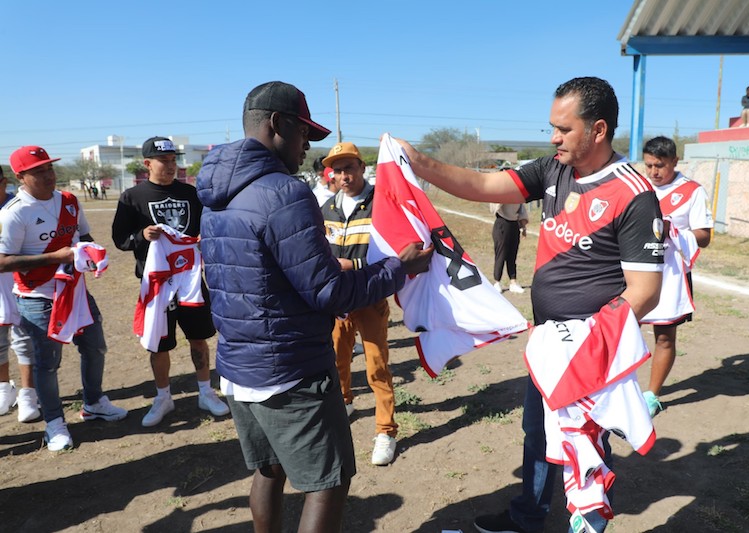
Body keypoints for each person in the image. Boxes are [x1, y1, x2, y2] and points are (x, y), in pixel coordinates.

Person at [395, 76, 664, 533]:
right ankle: (527, 518)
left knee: (588, 441)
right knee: (538, 432)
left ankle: (590, 522)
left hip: (591, 346)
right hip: (547, 341)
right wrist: (417, 161)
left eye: (564, 129)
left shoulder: (633, 193)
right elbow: (481, 184)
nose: (554, 138)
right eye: (551, 128)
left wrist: (591, 343)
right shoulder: (553, 168)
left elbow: (645, 289)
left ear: (598, 130)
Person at [195, 81, 432, 533]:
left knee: (268, 470)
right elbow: (328, 293)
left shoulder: (215, 194)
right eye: (304, 133)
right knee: (328, 481)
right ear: (277, 124)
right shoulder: (285, 192)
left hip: (239, 368)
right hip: (290, 368)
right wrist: (398, 269)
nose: (307, 146)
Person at [0, 146, 128, 451]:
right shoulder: (14, 212)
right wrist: (53, 256)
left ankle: (94, 402)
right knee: (47, 364)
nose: (48, 175)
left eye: (50, 168)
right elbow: (3, 261)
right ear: (20, 176)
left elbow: (83, 237)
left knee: (95, 347)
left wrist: (92, 252)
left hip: (75, 291)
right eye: (39, 171)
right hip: (37, 299)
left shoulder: (69, 201)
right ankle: (54, 423)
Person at [111, 136, 229, 427]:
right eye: (164, 161)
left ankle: (205, 391)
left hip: (190, 279)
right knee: (159, 344)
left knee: (199, 338)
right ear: (147, 163)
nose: (170, 166)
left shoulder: (191, 193)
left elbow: (207, 227)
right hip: (157, 284)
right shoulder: (132, 197)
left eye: (174, 160)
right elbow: (119, 239)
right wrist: (142, 236)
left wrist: (204, 239)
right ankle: (163, 397)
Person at [321, 141, 398, 466]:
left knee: (377, 367)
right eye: (338, 170)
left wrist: (355, 266)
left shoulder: (381, 204)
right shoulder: (327, 209)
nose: (344, 175)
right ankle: (346, 401)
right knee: (336, 360)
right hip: (338, 302)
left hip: (369, 298)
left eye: (349, 167)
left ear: (362, 167)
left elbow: (392, 252)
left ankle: (386, 431)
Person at [640, 136, 713, 417]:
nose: (654, 172)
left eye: (660, 166)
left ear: (675, 162)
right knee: (619, 330)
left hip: (671, 274)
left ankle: (652, 396)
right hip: (635, 269)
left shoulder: (692, 192)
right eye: (648, 166)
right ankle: (615, 388)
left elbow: (704, 237)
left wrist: (673, 231)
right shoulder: (640, 188)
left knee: (664, 337)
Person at [0, 165, 39, 422]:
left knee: (24, 337)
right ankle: (4, 388)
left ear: (3, 182)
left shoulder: (19, 207)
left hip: (18, 281)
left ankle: (29, 393)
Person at [489, 202, 528, 294]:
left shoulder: (518, 196)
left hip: (514, 225)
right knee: (501, 255)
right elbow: (494, 206)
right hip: (502, 223)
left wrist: (523, 227)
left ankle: (513, 282)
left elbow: (521, 210)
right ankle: (497, 282)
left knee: (512, 255)